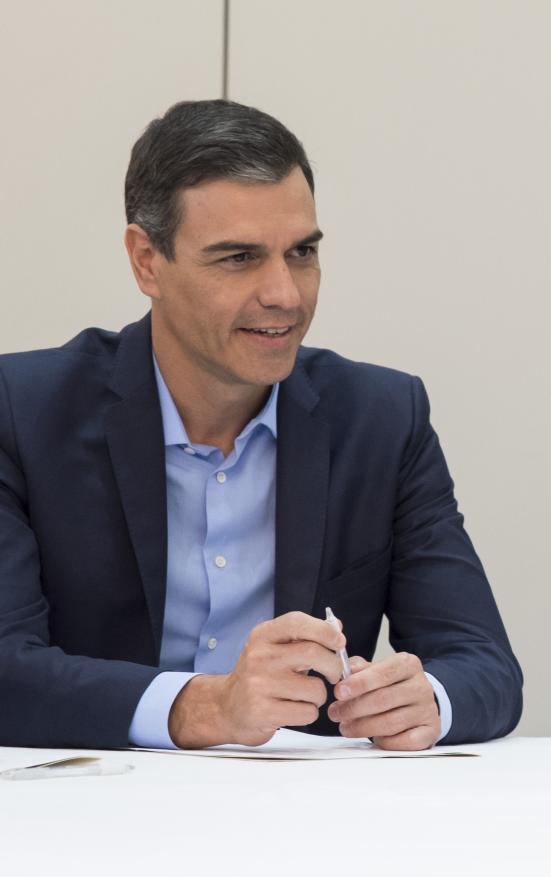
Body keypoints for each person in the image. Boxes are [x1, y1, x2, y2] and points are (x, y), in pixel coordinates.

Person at [0, 100, 523, 750]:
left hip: (305, 819)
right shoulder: (20, 412)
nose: (286, 294)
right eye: (239, 258)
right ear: (146, 261)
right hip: (88, 813)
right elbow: (7, 672)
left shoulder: (382, 418)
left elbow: (485, 667)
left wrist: (422, 702)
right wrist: (202, 707)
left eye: (301, 252)